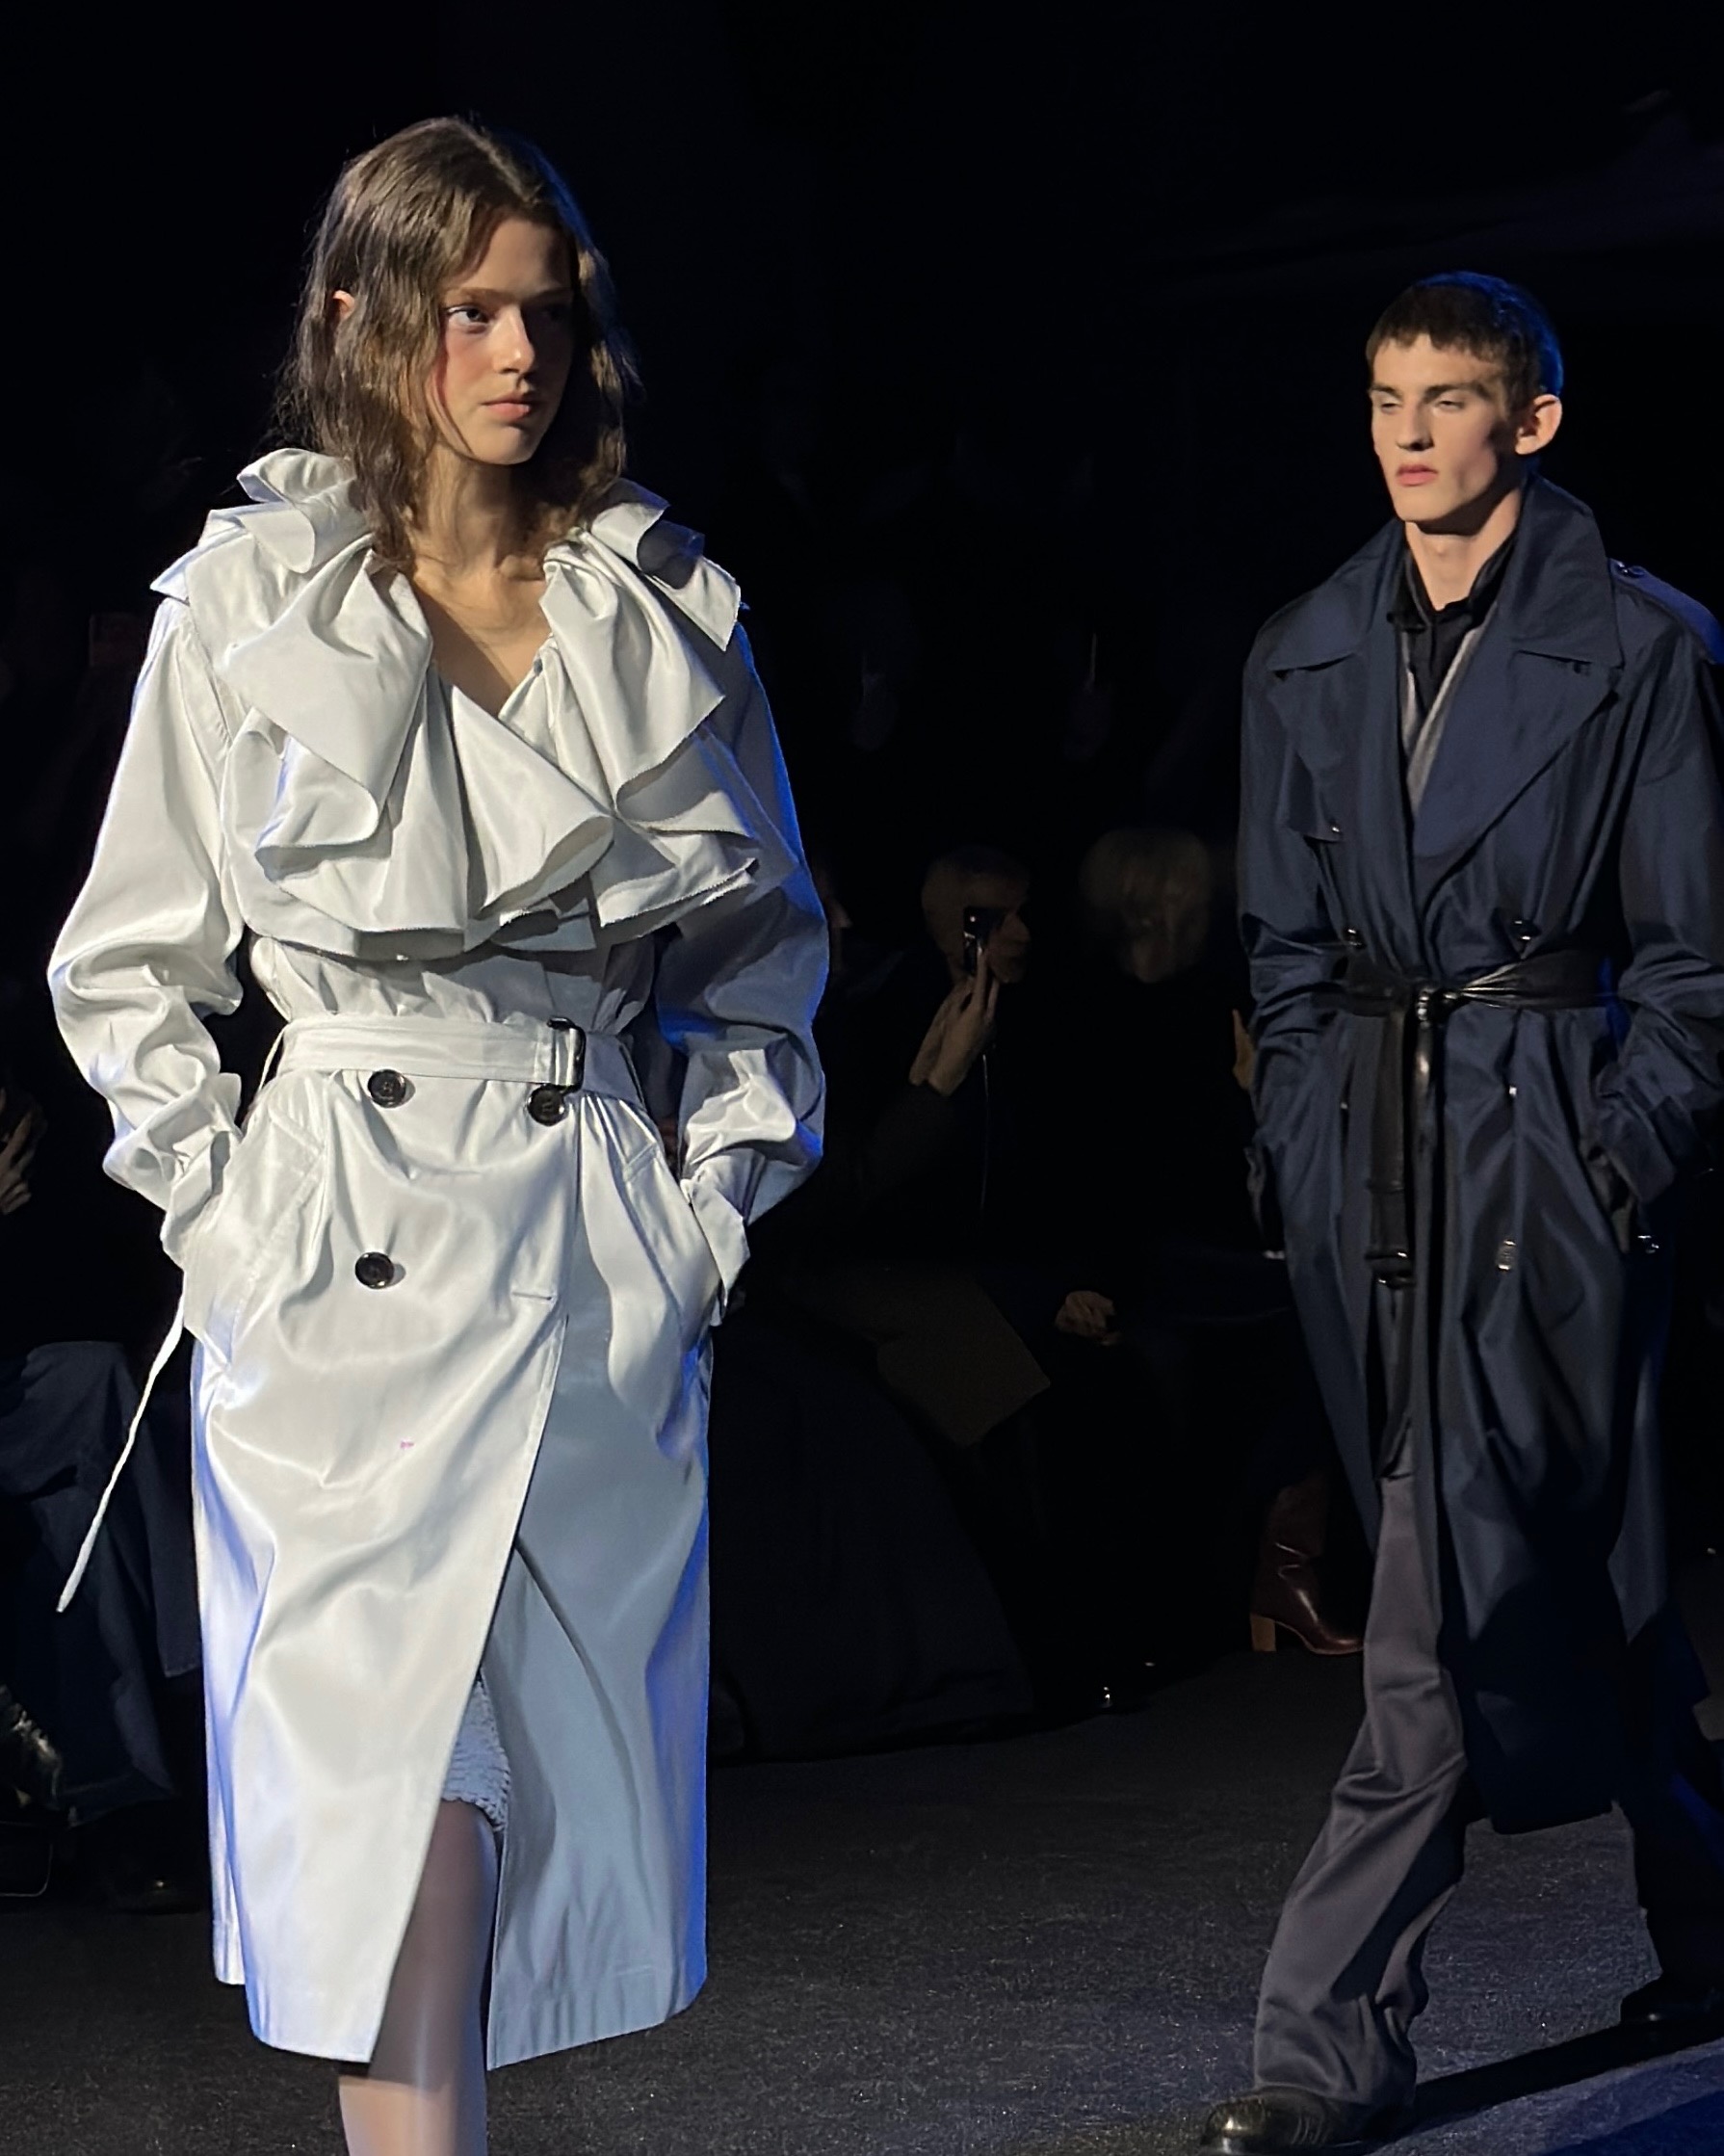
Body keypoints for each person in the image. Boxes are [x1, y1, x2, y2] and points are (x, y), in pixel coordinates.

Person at [49, 119, 824, 2156]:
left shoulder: (659, 607)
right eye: (469, 311)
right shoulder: (250, 602)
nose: (517, 355)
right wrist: (226, 1219)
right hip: (335, 1255)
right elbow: (125, 964)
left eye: (545, 312)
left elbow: (764, 965)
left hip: (582, 1242)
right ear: (359, 317)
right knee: (383, 1799)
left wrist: (702, 1215)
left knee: (510, 1791)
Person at [1201, 275, 1724, 2153]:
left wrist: (1621, 1155)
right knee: (1588, 1584)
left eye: (1446, 400)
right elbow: (1278, 942)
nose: (1409, 434)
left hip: (1543, 1152)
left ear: (1533, 421)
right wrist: (1297, 1143)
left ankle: (1323, 2040)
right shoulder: (1301, 650)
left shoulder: (1640, 646)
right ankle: (1708, 1915)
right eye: (1383, 399)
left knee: (1435, 1601)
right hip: (1373, 1154)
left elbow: (1693, 952)